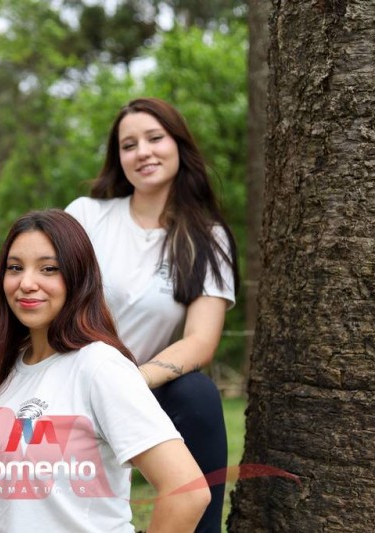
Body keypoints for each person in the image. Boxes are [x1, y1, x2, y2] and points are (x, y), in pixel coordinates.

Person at [0, 209, 210, 533]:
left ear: (77, 277)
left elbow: (187, 493)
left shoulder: (101, 367)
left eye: (48, 269)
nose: (26, 283)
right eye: (15, 268)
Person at [65, 97, 239, 532]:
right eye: (129, 145)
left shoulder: (208, 238)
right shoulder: (86, 216)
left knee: (197, 394)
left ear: (178, 144)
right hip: (69, 380)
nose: (142, 152)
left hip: (141, 385)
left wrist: (130, 382)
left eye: (154, 138)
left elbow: (200, 340)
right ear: (118, 159)